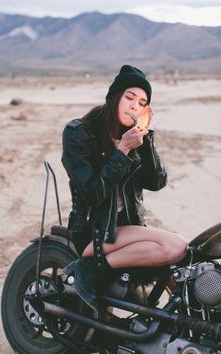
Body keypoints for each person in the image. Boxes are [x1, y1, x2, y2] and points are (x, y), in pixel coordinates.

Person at [61, 64, 187, 311]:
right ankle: (90, 271)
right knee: (176, 246)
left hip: (125, 228)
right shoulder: (79, 133)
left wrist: (146, 138)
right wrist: (122, 151)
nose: (134, 106)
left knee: (182, 261)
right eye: (129, 98)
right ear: (114, 97)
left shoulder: (131, 134)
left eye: (142, 103)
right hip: (94, 230)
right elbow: (93, 192)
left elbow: (157, 182)